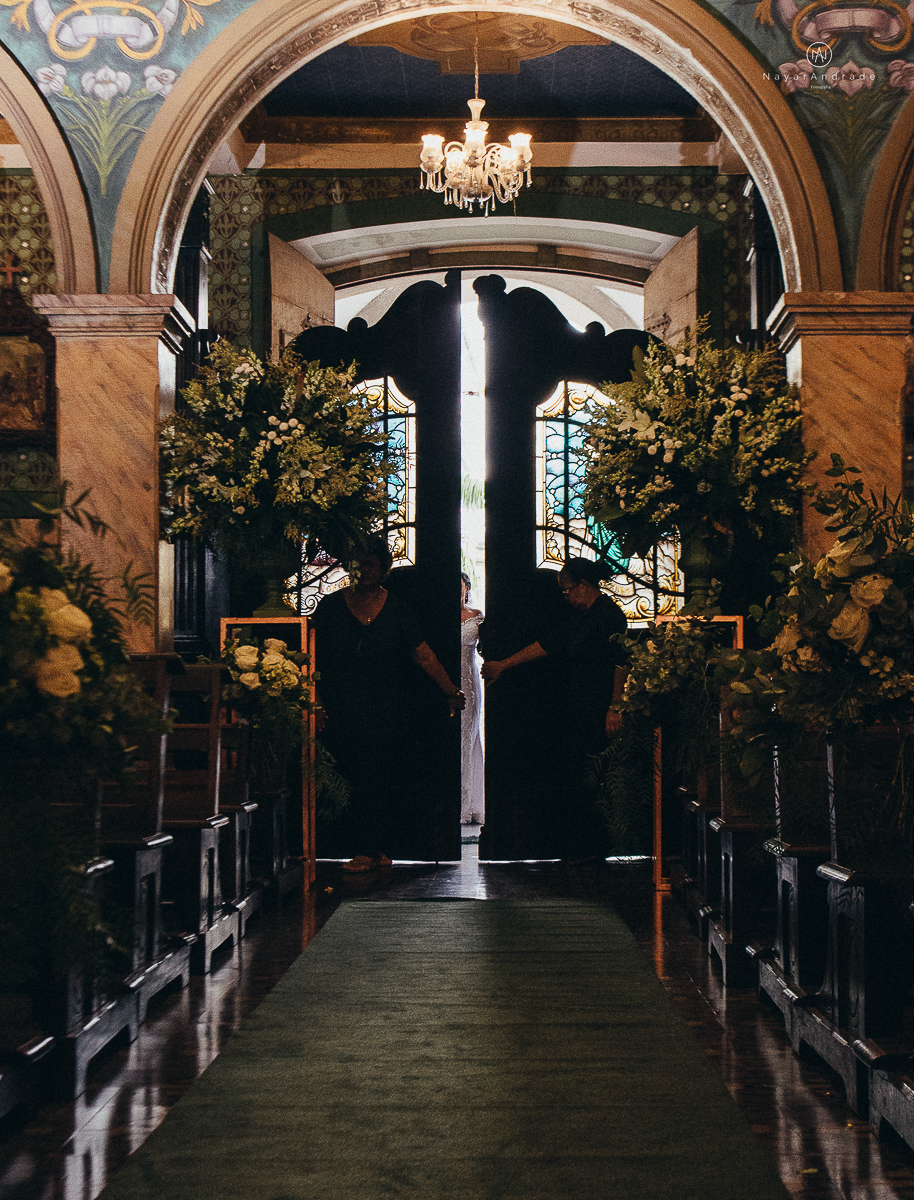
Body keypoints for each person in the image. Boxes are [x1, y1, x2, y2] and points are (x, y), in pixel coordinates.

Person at [312, 539, 464, 871]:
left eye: (371, 564)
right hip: (340, 709)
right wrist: (316, 703)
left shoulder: (397, 609)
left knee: (380, 779)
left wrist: (451, 690)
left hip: (386, 709)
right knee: (348, 778)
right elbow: (310, 658)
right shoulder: (330, 607)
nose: (364, 571)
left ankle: (375, 849)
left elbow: (422, 654)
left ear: (385, 570)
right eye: (359, 564)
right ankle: (361, 847)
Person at [480, 557, 628, 859]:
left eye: (567, 590)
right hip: (576, 707)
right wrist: (503, 665)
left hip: (597, 707)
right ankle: (578, 847)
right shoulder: (580, 616)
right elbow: (548, 644)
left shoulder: (609, 616)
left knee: (594, 775)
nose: (565, 596)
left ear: (584, 586)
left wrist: (616, 706)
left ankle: (595, 847)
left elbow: (620, 664)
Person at [460, 572, 485, 827]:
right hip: (445, 679)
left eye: (461, 586)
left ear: (467, 588)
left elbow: (488, 647)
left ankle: (469, 804)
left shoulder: (477, 616)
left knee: (468, 737)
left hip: (469, 682)